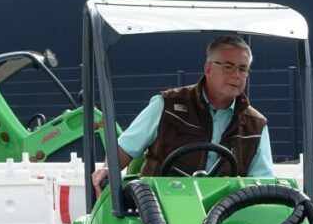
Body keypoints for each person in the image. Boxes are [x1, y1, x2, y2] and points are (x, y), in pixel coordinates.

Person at [92, 34, 274, 193]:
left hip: (224, 215)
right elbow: (124, 149)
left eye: (243, 69)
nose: (236, 75)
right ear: (208, 69)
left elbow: (262, 182)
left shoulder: (255, 125)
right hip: (159, 210)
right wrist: (107, 169)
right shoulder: (167, 106)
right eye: (228, 66)